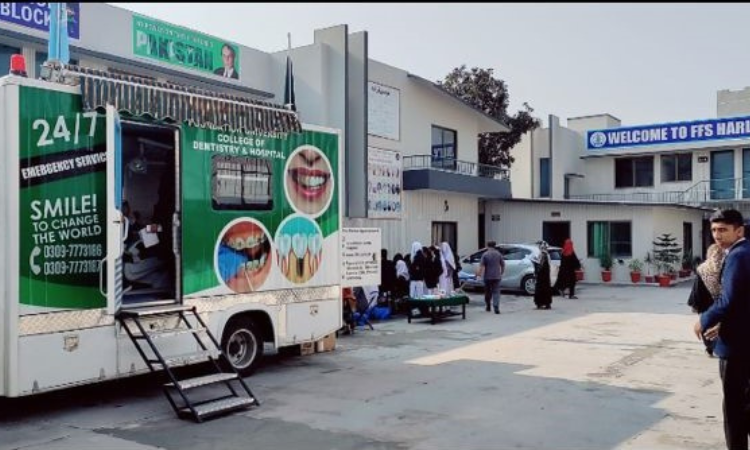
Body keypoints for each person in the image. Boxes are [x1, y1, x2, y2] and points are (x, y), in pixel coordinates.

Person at [694, 209, 750, 450]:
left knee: (735, 408)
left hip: (736, 346)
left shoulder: (738, 255)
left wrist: (704, 319)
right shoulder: (743, 252)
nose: (717, 235)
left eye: (723, 230)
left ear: (739, 230)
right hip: (742, 338)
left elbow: (730, 299)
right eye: (714, 230)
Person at [687, 243, 725, 357]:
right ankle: (718, 346)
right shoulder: (727, 267)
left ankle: (710, 347)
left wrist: (695, 305)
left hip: (706, 304)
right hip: (722, 304)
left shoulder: (703, 269)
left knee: (707, 325)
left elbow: (697, 290)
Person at [477, 241, 505, 314]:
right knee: (496, 292)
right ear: (495, 246)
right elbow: (502, 264)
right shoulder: (498, 254)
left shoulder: (485, 254)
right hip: (496, 276)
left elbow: (481, 265)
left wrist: (479, 274)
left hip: (487, 276)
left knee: (487, 292)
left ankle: (488, 305)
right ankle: (496, 307)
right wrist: (501, 272)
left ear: (487, 246)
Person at [533, 241, 553, 310]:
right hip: (546, 276)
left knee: (540, 289)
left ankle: (539, 303)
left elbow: (539, 265)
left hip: (541, 276)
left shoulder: (541, 255)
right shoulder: (547, 255)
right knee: (546, 289)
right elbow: (549, 265)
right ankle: (547, 304)